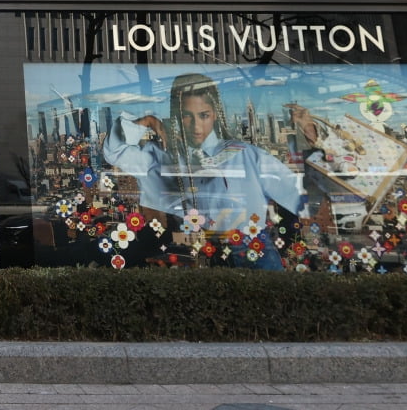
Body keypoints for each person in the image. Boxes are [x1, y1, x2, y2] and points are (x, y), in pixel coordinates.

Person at [100, 72, 305, 270]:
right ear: (177, 116)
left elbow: (299, 196)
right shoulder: (168, 157)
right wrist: (148, 121)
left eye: (204, 115)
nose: (196, 126)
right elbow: (114, 152)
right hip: (204, 251)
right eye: (187, 116)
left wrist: (310, 140)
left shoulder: (246, 155)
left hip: (253, 249)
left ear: (215, 114)